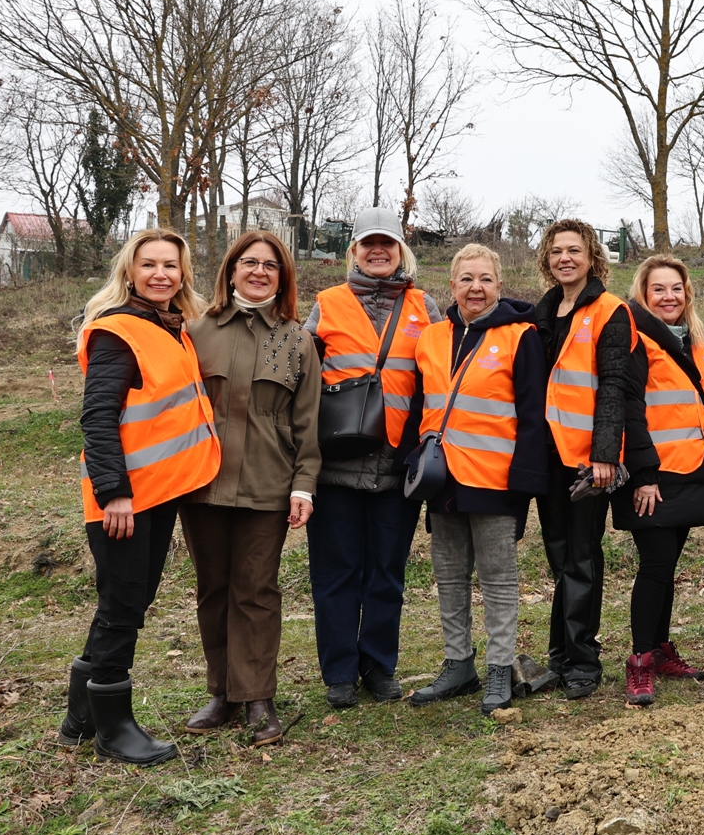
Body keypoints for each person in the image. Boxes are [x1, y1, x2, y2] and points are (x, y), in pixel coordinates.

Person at [61, 228, 220, 765]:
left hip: (155, 494)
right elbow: (97, 417)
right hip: (123, 500)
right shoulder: (118, 331)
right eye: (149, 264)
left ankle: (80, 720)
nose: (160, 274)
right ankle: (114, 729)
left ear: (183, 273)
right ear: (129, 271)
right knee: (123, 606)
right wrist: (114, 493)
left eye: (170, 266)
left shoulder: (169, 328)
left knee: (126, 601)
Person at [179, 231, 320, 748]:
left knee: (256, 590)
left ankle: (258, 697)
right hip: (203, 486)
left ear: (283, 277)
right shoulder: (195, 332)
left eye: (271, 265)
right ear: (231, 270)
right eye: (250, 262)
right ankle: (223, 693)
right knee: (213, 588)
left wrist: (304, 487)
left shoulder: (296, 340)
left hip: (268, 486)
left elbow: (308, 424)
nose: (260, 271)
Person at [305, 209, 443, 708]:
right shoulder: (326, 304)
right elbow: (302, 381)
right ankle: (339, 672)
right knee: (335, 574)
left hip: (399, 466)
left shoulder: (425, 307)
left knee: (387, 573)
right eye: (369, 244)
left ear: (401, 250)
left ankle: (379, 667)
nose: (378, 251)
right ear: (354, 252)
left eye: (387, 243)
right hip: (335, 466)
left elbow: (443, 376)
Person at [407, 244, 549, 714]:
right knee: (449, 576)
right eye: (467, 279)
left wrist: (525, 482)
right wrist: (414, 462)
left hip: (496, 480)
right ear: (452, 285)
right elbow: (420, 406)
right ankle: (458, 664)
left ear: (499, 286)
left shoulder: (521, 336)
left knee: (498, 579)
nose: (476, 287)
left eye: (485, 279)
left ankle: (499, 667)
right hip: (441, 479)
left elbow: (533, 414)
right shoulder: (431, 338)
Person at [532, 219, 650, 700]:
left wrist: (605, 455)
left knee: (582, 556)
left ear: (591, 257)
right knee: (559, 557)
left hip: (587, 460)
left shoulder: (610, 311)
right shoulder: (541, 312)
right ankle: (559, 654)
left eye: (574, 250)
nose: (565, 258)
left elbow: (614, 386)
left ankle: (583, 660)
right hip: (546, 453)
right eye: (557, 251)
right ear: (547, 259)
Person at [616, 255, 704, 706]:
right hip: (653, 474)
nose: (669, 297)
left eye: (676, 288)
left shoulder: (691, 340)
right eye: (658, 289)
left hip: (688, 467)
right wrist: (643, 475)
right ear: (643, 294)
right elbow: (629, 409)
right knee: (656, 564)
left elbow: (703, 395)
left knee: (667, 566)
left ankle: (659, 650)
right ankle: (640, 660)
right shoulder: (634, 338)